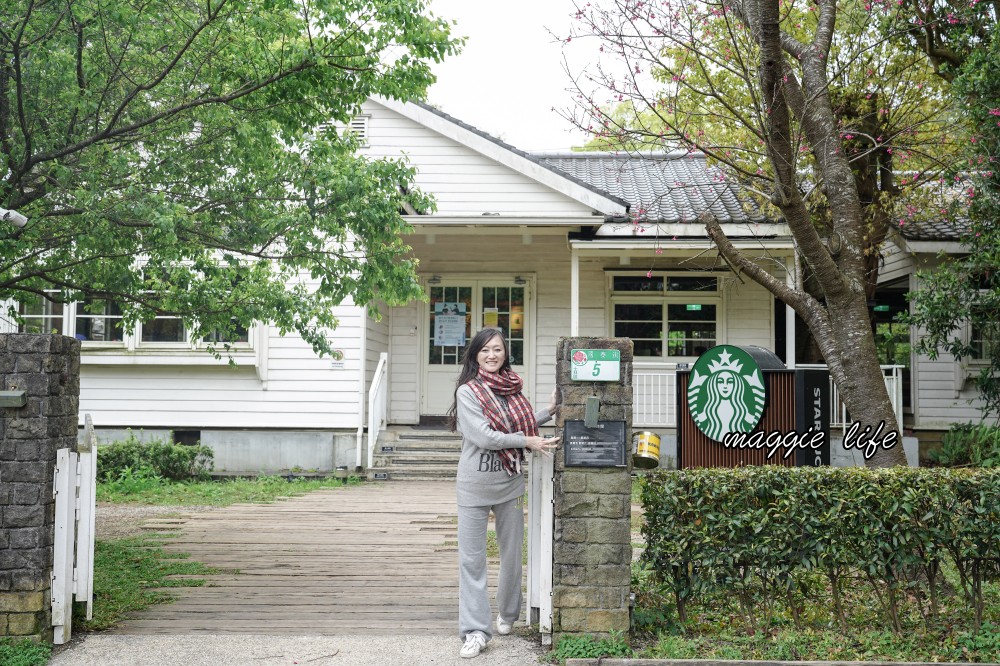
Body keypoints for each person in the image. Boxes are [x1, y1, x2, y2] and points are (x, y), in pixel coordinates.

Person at [447, 328, 560, 659]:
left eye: (497, 349)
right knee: (472, 560)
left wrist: (549, 412)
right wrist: (527, 442)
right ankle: (475, 630)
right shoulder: (468, 392)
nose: (492, 355)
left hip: (509, 483)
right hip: (473, 486)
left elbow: (518, 424)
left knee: (512, 554)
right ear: (475, 355)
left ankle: (508, 614)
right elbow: (484, 436)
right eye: (485, 350)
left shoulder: (512, 388)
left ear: (505, 353)